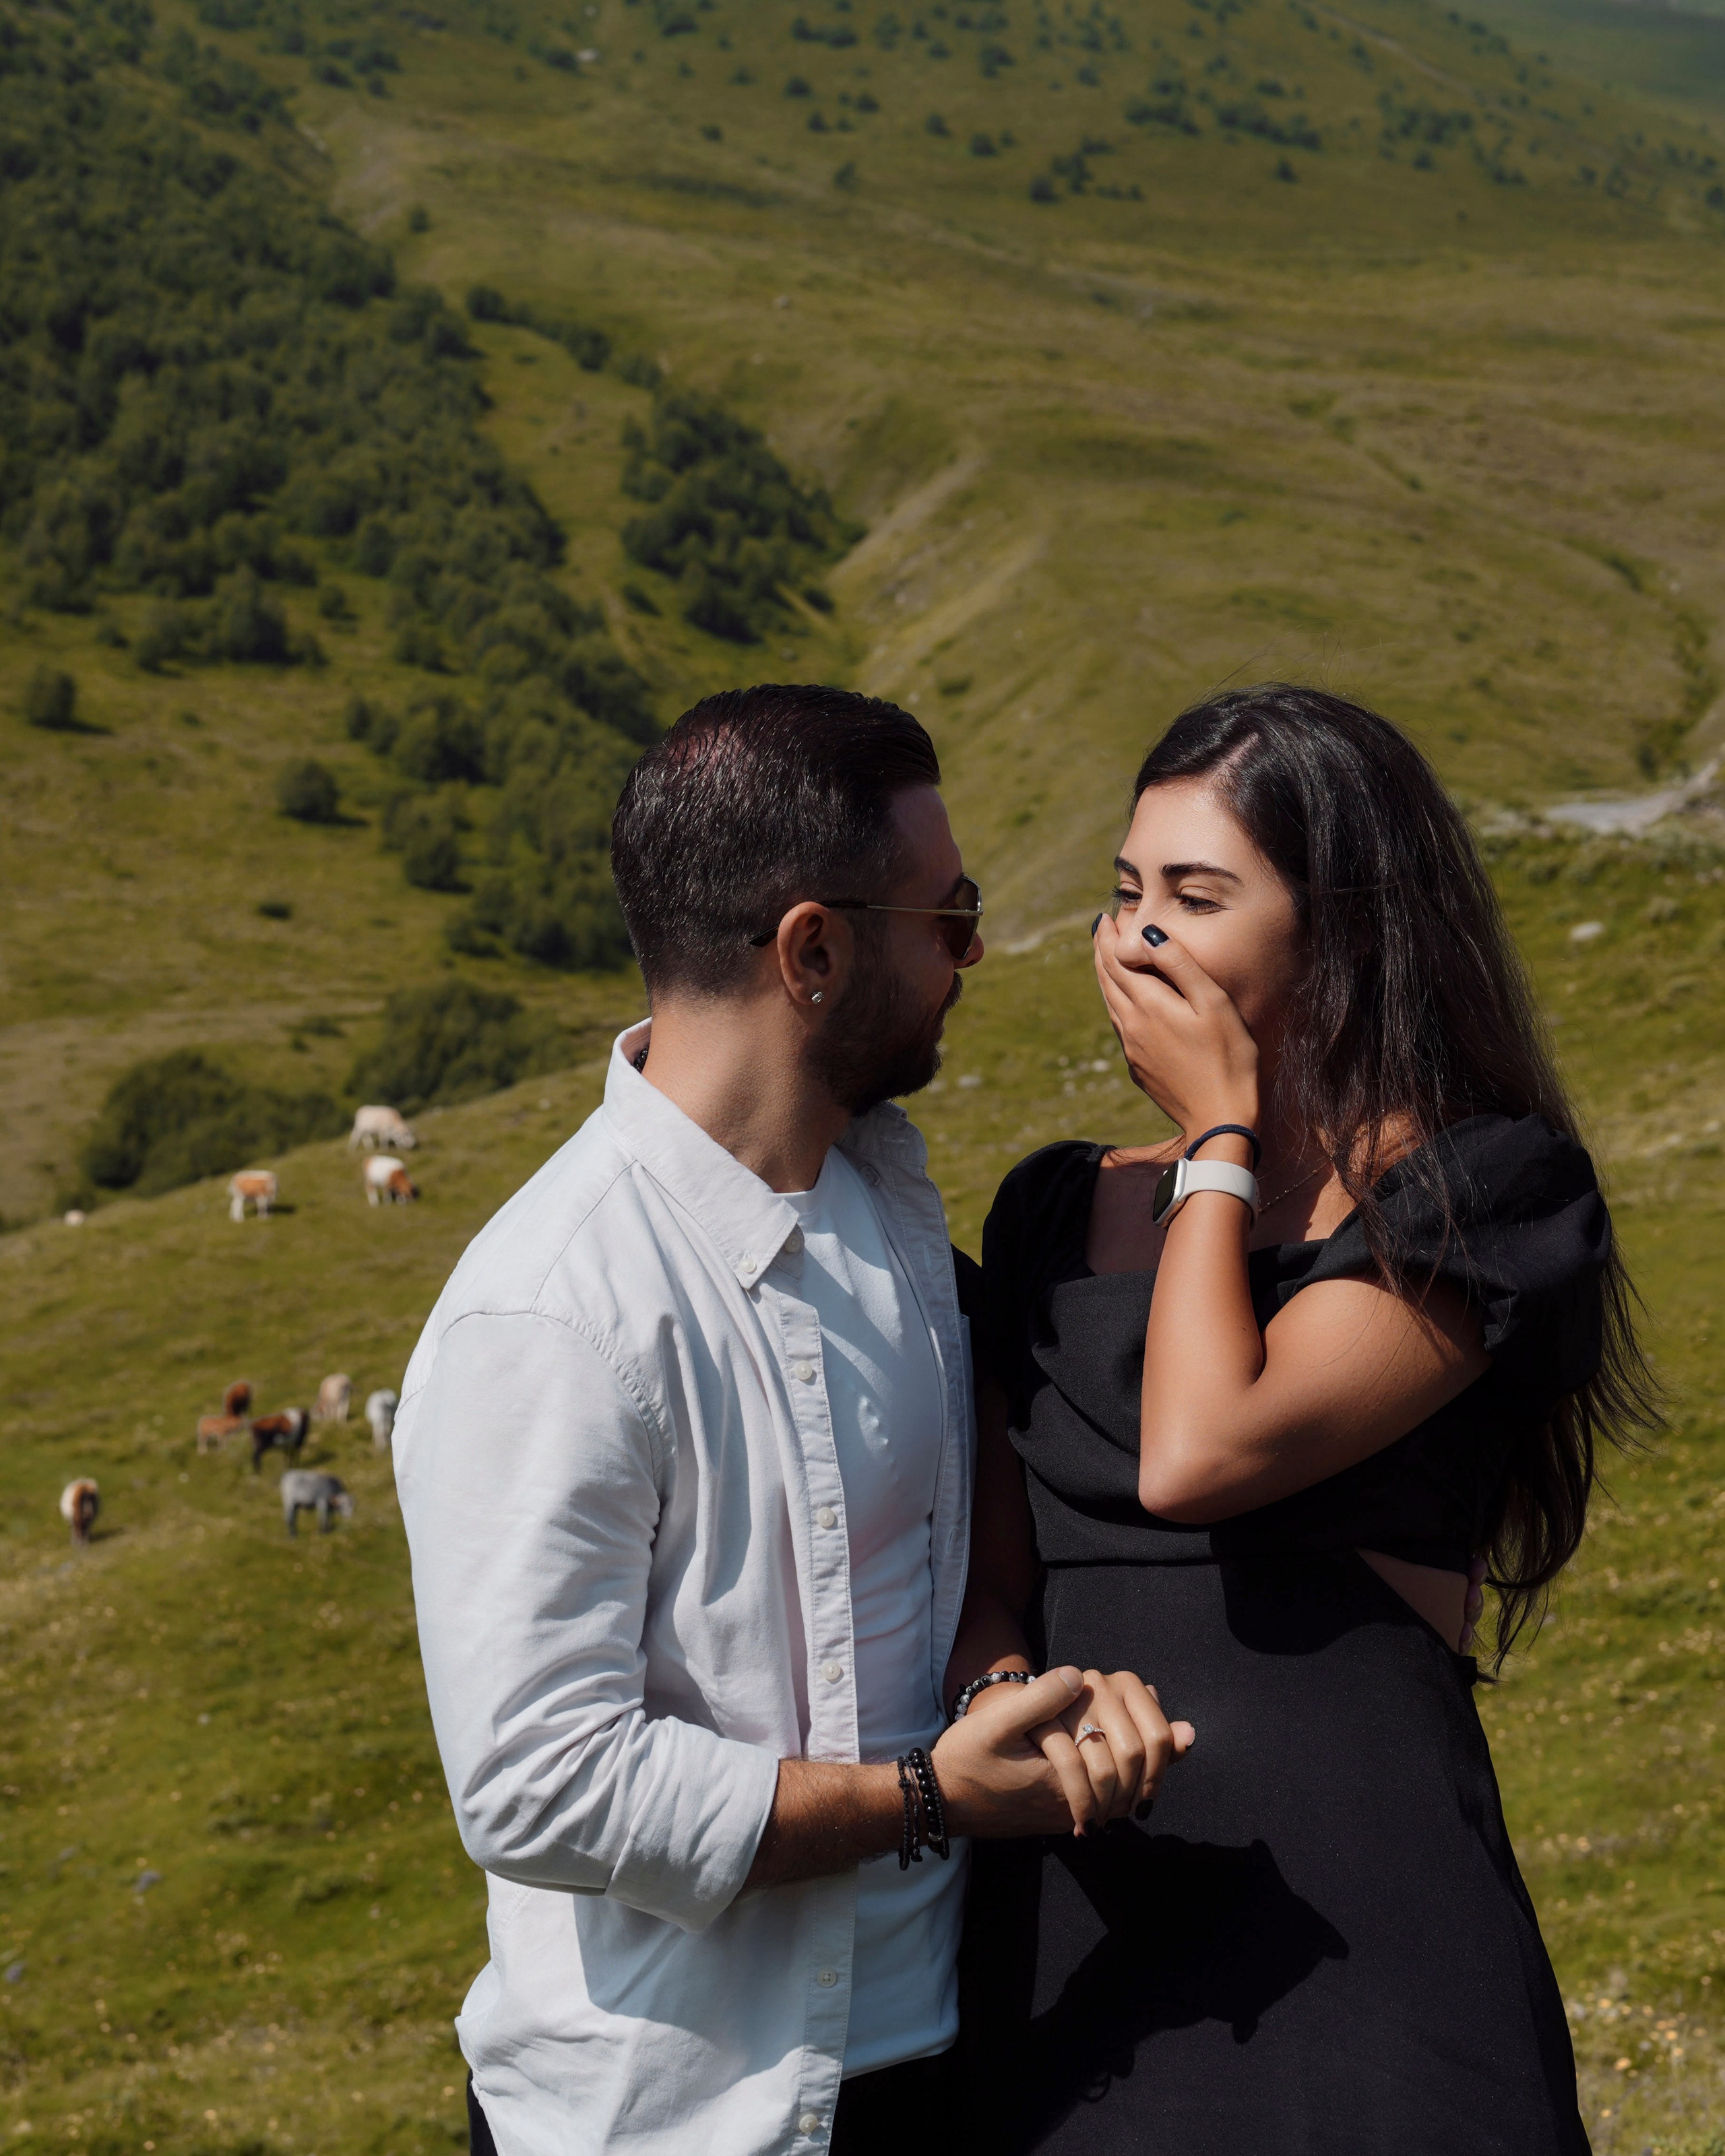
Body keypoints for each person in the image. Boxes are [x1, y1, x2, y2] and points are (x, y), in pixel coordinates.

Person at [391, 685, 1190, 2156]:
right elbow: (538, 1785)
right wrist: (924, 1801)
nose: (970, 955)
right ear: (812, 951)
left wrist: (1000, 1687)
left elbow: (924, 1584)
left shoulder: (882, 1205)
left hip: (935, 2057)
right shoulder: (553, 1314)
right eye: (949, 916)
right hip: (683, 2116)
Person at [947, 685, 1657, 2153]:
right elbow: (988, 1572)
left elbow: (1201, 1449)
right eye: (1126, 893)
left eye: (1196, 898)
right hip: (1067, 1923)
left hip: (1359, 1938)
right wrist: (1008, 1703)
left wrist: (1217, 1136)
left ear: (1342, 934)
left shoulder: (1478, 1194)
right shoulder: (1049, 1208)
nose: (1138, 939)